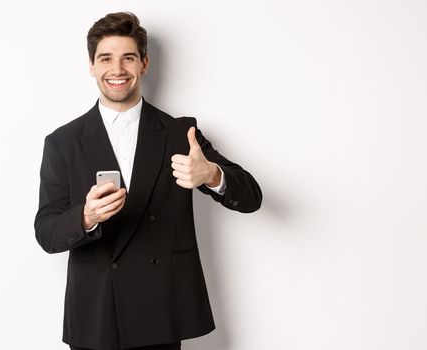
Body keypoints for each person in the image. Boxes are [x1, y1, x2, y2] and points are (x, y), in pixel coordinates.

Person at [34, 12, 262, 350]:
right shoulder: (63, 142)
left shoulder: (179, 133)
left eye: (128, 57)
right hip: (96, 316)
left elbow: (251, 197)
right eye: (105, 58)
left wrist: (213, 175)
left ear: (144, 63)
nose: (117, 69)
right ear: (91, 66)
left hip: (160, 312)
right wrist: (86, 217)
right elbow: (46, 232)